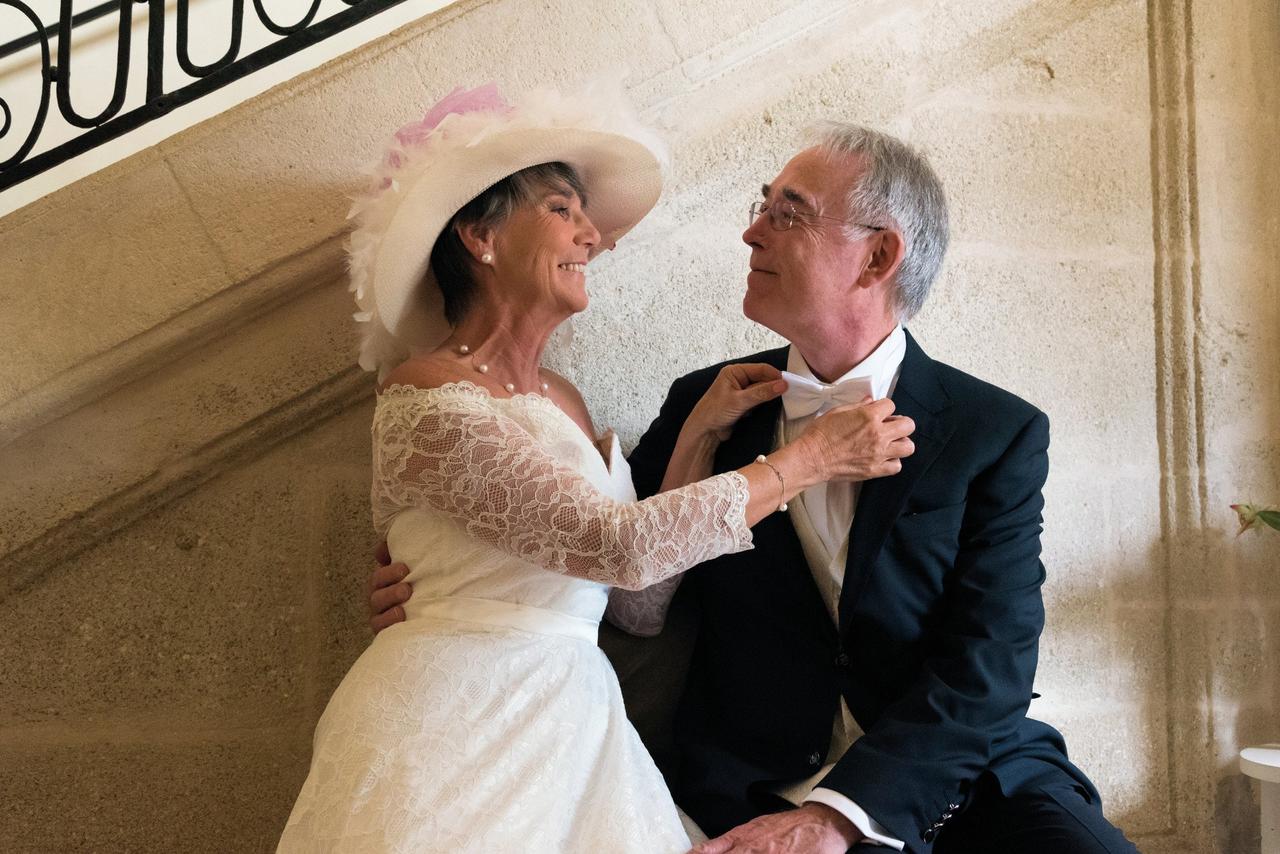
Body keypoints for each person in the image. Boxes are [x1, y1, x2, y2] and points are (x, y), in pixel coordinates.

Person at [370, 120, 1140, 853]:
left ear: (876, 260)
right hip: (750, 785)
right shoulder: (708, 405)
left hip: (961, 778)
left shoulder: (994, 432)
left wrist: (839, 816)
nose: (750, 231)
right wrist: (438, 580)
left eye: (787, 214)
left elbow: (990, 665)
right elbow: (622, 566)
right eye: (759, 207)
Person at [278, 85, 914, 854]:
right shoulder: (424, 394)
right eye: (562, 210)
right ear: (478, 235)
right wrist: (807, 461)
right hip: (456, 720)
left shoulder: (566, 399)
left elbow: (634, 605)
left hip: (575, 728)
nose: (593, 237)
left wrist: (697, 439)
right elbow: (614, 544)